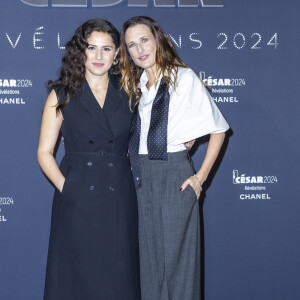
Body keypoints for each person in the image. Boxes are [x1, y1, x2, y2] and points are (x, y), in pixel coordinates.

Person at [119, 16, 230, 300]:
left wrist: (200, 178)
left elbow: (219, 129)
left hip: (174, 175)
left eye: (144, 40)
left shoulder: (184, 77)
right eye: (132, 45)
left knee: (179, 268)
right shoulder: (137, 84)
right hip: (141, 177)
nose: (140, 49)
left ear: (158, 39)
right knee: (150, 266)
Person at [37, 19, 140, 300]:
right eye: (91, 48)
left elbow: (143, 137)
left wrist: (185, 137)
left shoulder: (131, 91)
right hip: (77, 193)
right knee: (75, 274)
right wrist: (67, 188)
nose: (98, 57)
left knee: (119, 274)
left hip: (118, 194)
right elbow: (44, 152)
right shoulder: (62, 94)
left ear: (117, 53)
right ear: (79, 51)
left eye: (106, 49)